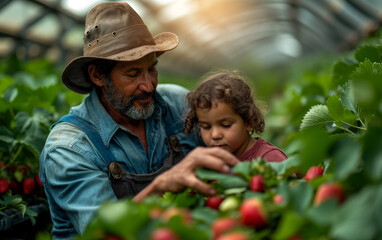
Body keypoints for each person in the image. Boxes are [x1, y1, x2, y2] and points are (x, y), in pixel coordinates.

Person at [39, 2, 239, 239]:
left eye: (152, 69)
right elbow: (102, 233)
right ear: (97, 75)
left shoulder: (175, 105)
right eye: (132, 74)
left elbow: (235, 150)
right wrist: (161, 185)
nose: (148, 85)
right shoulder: (70, 149)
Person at [183, 71, 288, 162]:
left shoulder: (270, 159)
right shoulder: (211, 162)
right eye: (206, 127)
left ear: (248, 122)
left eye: (225, 125)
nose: (215, 135)